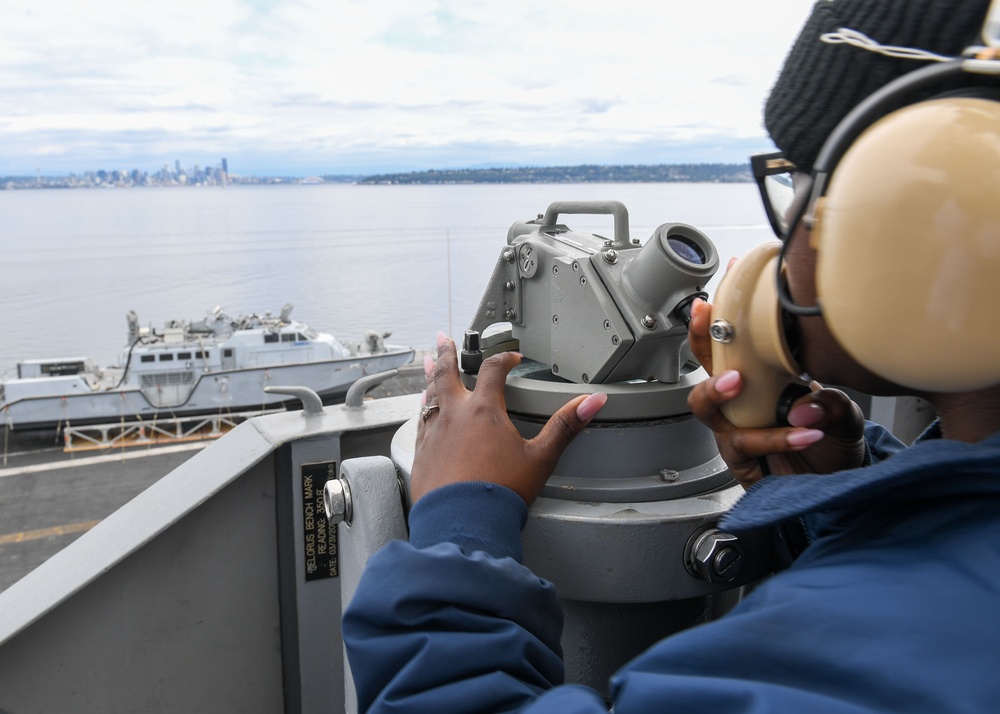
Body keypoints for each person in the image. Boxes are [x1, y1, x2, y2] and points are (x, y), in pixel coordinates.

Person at [342, 0, 1000, 711]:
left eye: (805, 185)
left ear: (933, 241)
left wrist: (458, 531)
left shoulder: (827, 664)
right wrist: (849, 500)